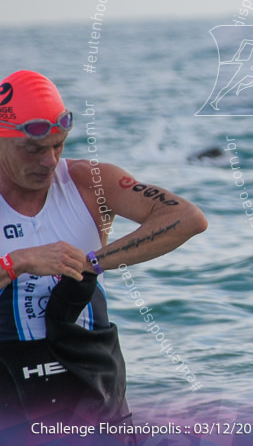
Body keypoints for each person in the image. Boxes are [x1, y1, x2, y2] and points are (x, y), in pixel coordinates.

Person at [0, 70, 208, 431]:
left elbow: (187, 217)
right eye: (33, 149)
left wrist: (93, 262)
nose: (50, 161)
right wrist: (19, 262)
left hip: (89, 382)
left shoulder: (87, 182)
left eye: (59, 144)